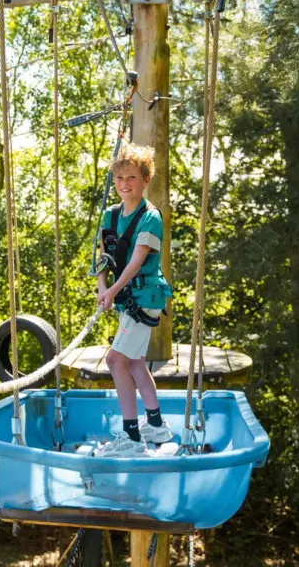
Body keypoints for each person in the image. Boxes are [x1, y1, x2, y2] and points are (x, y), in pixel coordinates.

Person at [94, 142, 174, 458]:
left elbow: (137, 261)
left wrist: (113, 291)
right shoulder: (109, 216)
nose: (124, 185)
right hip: (127, 298)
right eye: (119, 179)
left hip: (145, 296)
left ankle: (131, 438)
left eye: (131, 178)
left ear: (144, 180)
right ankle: (154, 424)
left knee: (116, 360)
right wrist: (103, 287)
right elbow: (104, 259)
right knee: (135, 361)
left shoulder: (150, 217)